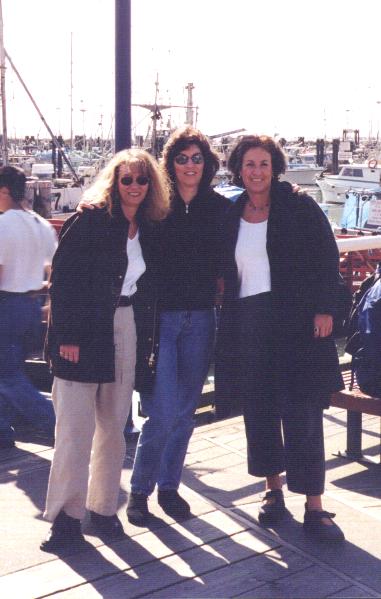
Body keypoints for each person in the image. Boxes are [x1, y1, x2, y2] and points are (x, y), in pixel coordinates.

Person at [40, 149, 170, 552]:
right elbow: (62, 282)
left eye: (141, 180)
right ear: (114, 182)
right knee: (75, 430)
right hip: (84, 329)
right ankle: (65, 519)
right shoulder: (90, 220)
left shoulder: (148, 227)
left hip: (125, 324)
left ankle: (102, 509)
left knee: (115, 427)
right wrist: (67, 337)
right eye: (126, 179)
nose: (134, 186)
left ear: (151, 186)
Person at [217, 134, 345, 542]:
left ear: (275, 167)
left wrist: (325, 308)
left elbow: (327, 256)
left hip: (294, 322)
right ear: (239, 168)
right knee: (260, 407)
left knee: (302, 408)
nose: (256, 171)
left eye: (264, 164)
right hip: (248, 321)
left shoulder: (299, 205)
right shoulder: (232, 210)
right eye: (250, 164)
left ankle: (314, 504)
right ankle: (272, 489)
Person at [126, 126, 231, 524]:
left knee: (186, 411)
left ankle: (169, 488)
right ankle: (139, 491)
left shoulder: (220, 209)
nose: (190, 165)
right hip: (161, 320)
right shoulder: (156, 207)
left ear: (207, 164)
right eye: (182, 158)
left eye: (197, 158)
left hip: (202, 317)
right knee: (162, 410)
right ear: (171, 163)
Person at [0, 165, 56, 449]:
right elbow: (53, 269)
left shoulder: (3, 225)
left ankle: (56, 423)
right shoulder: (41, 224)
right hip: (33, 307)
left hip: (7, 306)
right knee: (7, 372)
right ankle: (2, 433)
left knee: (8, 377)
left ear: (5, 191)